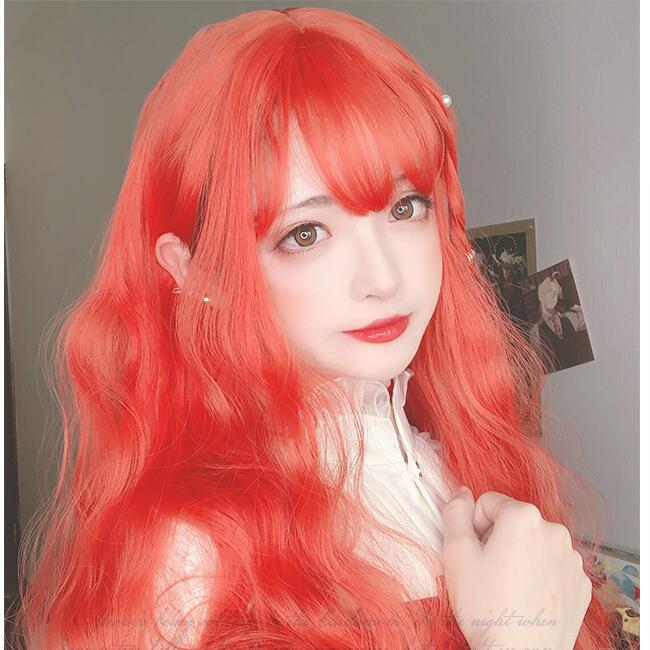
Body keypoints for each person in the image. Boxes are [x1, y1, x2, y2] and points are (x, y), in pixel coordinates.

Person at [14, 7, 617, 649]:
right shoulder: (189, 564)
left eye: (405, 207)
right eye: (305, 233)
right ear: (196, 270)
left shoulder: (468, 460)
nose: (383, 278)